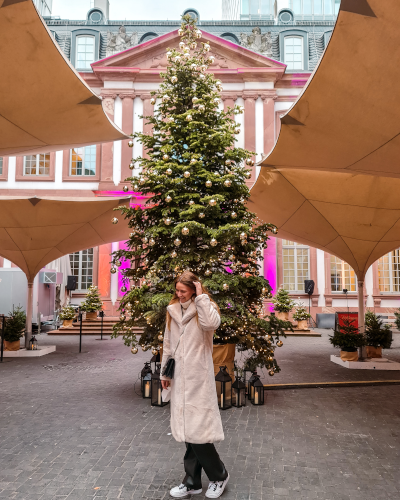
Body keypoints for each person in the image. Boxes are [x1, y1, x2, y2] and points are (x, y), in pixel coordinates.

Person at [160, 271, 230, 499]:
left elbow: (212, 325)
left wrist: (201, 297)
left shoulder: (205, 307)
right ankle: (192, 482)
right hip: (179, 375)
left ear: (194, 288)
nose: (179, 294)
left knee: (198, 430)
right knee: (188, 428)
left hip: (199, 377)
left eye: (183, 290)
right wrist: (165, 373)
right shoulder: (172, 311)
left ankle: (219, 475)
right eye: (177, 290)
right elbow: (168, 344)